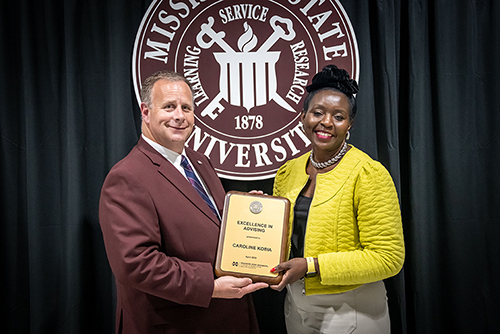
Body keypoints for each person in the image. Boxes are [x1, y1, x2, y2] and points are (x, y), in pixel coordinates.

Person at [99, 70, 267, 334]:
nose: (179, 116)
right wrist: (210, 286)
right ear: (145, 112)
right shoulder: (127, 177)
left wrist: (244, 216)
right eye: (169, 107)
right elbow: (136, 263)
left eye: (186, 108)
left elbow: (210, 223)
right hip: (176, 324)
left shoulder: (200, 162)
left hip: (230, 318)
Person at [270, 65, 405, 334]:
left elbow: (388, 257)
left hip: (352, 308)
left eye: (339, 116)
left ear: (350, 124)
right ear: (303, 117)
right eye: (317, 112)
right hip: (296, 304)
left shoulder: (367, 173)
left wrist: (311, 265)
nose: (326, 122)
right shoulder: (289, 172)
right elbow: (280, 239)